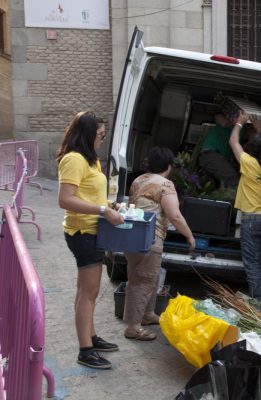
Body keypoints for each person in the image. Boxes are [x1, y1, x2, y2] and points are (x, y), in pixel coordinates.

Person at [57, 111, 125, 369]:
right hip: (82, 233)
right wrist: (102, 211)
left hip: (93, 230)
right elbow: (65, 199)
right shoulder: (74, 159)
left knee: (86, 291)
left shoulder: (91, 160)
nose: (101, 139)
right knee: (89, 292)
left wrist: (110, 204)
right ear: (87, 134)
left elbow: (90, 195)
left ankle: (91, 336)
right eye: (99, 135)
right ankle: (85, 350)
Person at [123, 147, 195, 341]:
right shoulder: (165, 184)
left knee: (145, 278)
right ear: (169, 166)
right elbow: (175, 215)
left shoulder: (139, 180)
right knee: (143, 281)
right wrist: (189, 236)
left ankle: (147, 315)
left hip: (132, 236)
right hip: (150, 237)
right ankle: (133, 327)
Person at [229, 110, 261, 307]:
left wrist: (240, 123)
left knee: (252, 265)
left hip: (250, 220)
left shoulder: (249, 163)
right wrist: (259, 129)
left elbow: (233, 142)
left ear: (252, 150)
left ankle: (257, 305)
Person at [197, 112, 238, 188]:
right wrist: (237, 122)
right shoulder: (227, 121)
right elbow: (220, 119)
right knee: (233, 178)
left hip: (216, 157)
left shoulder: (240, 132)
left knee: (213, 186)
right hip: (210, 154)